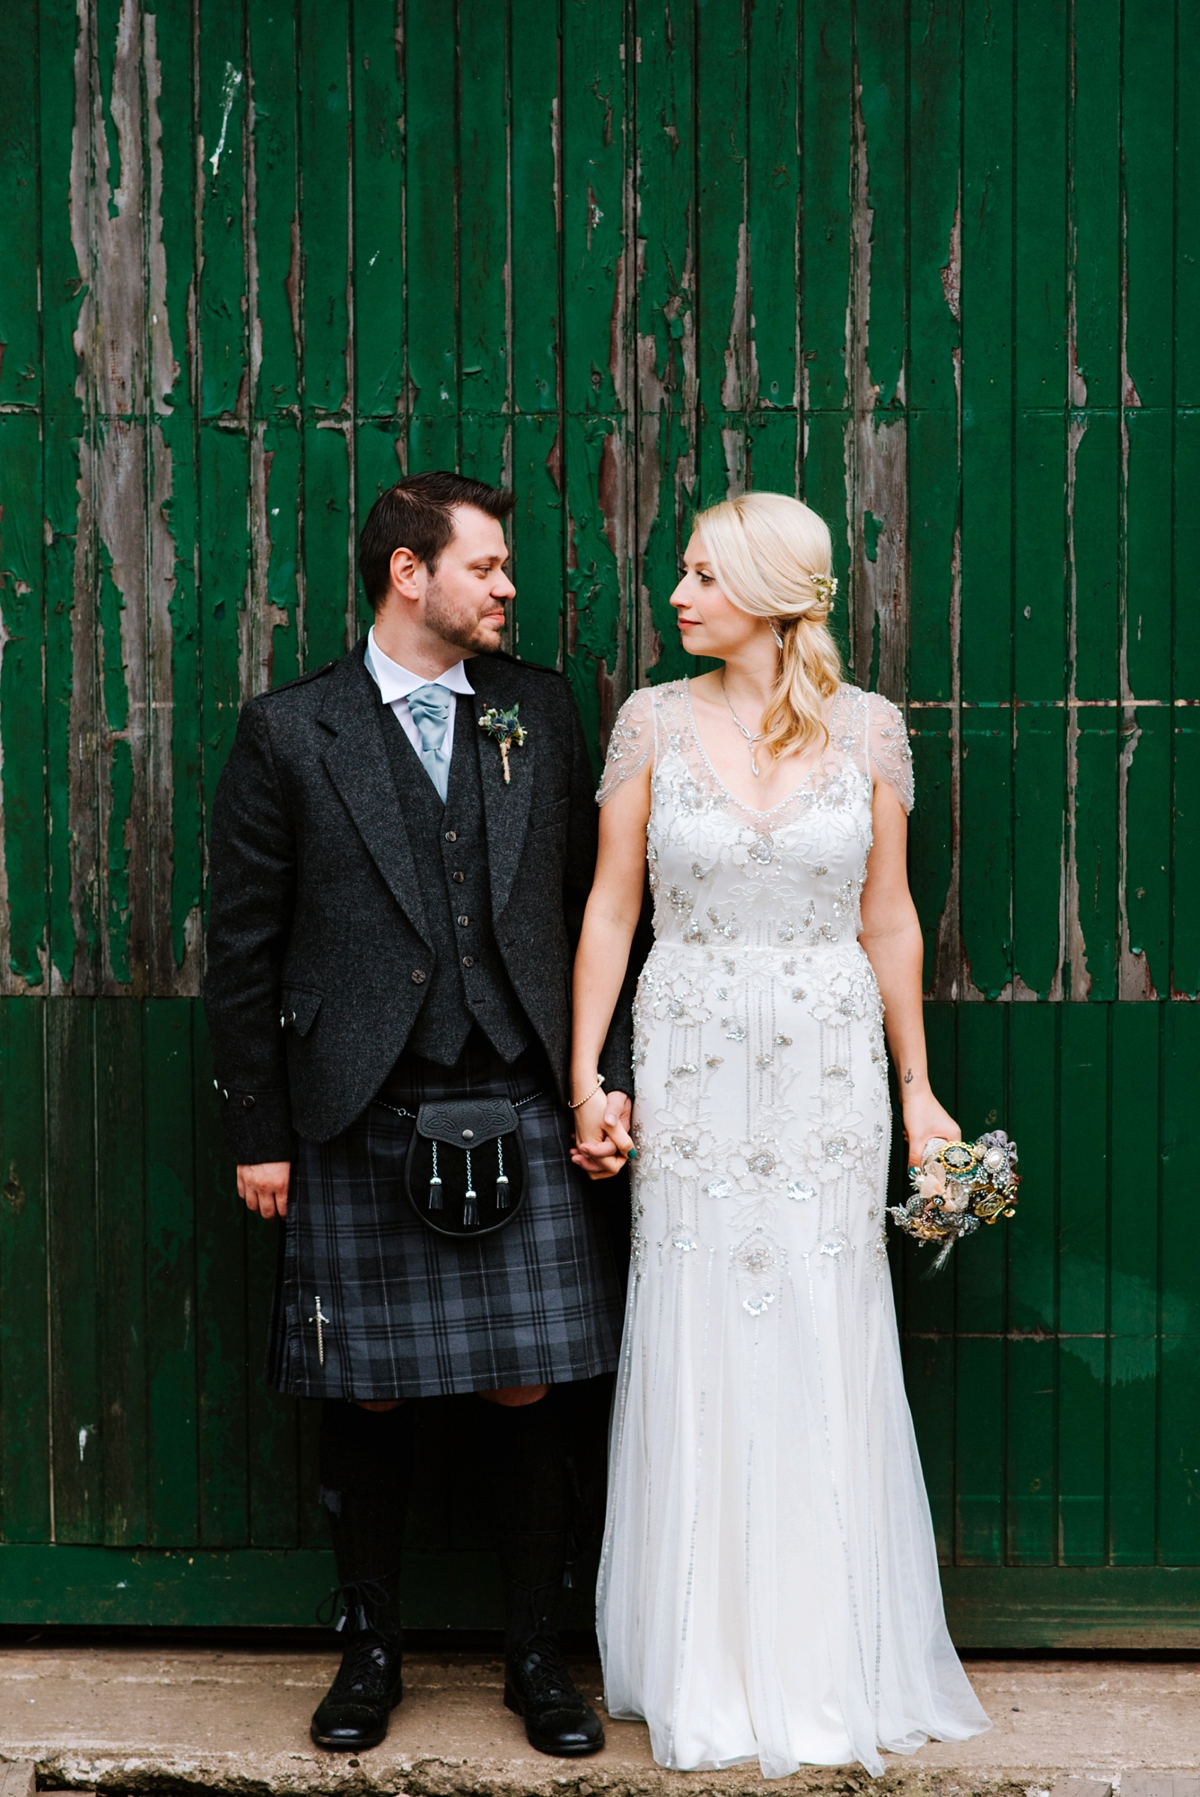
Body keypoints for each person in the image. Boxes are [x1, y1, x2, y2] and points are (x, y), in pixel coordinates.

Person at [204, 470, 637, 1759]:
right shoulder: (292, 728)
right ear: (410, 573)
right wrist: (257, 1129)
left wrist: (594, 1077)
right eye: (488, 565)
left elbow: (594, 917)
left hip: (515, 1088)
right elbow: (243, 947)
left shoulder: (540, 711)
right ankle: (370, 1652)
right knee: (370, 1394)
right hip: (355, 1109)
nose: (509, 587)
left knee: (524, 1382)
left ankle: (535, 1659)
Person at [569, 492, 991, 1776]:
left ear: (769, 589)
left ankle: (830, 1654)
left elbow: (892, 920)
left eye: (703, 573)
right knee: (697, 1322)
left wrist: (917, 1088)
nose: (679, 594)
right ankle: (706, 1653)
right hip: (693, 1059)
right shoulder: (652, 722)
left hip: (824, 1066)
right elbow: (608, 912)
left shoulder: (869, 730)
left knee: (823, 1320)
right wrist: (587, 1071)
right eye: (683, 572)